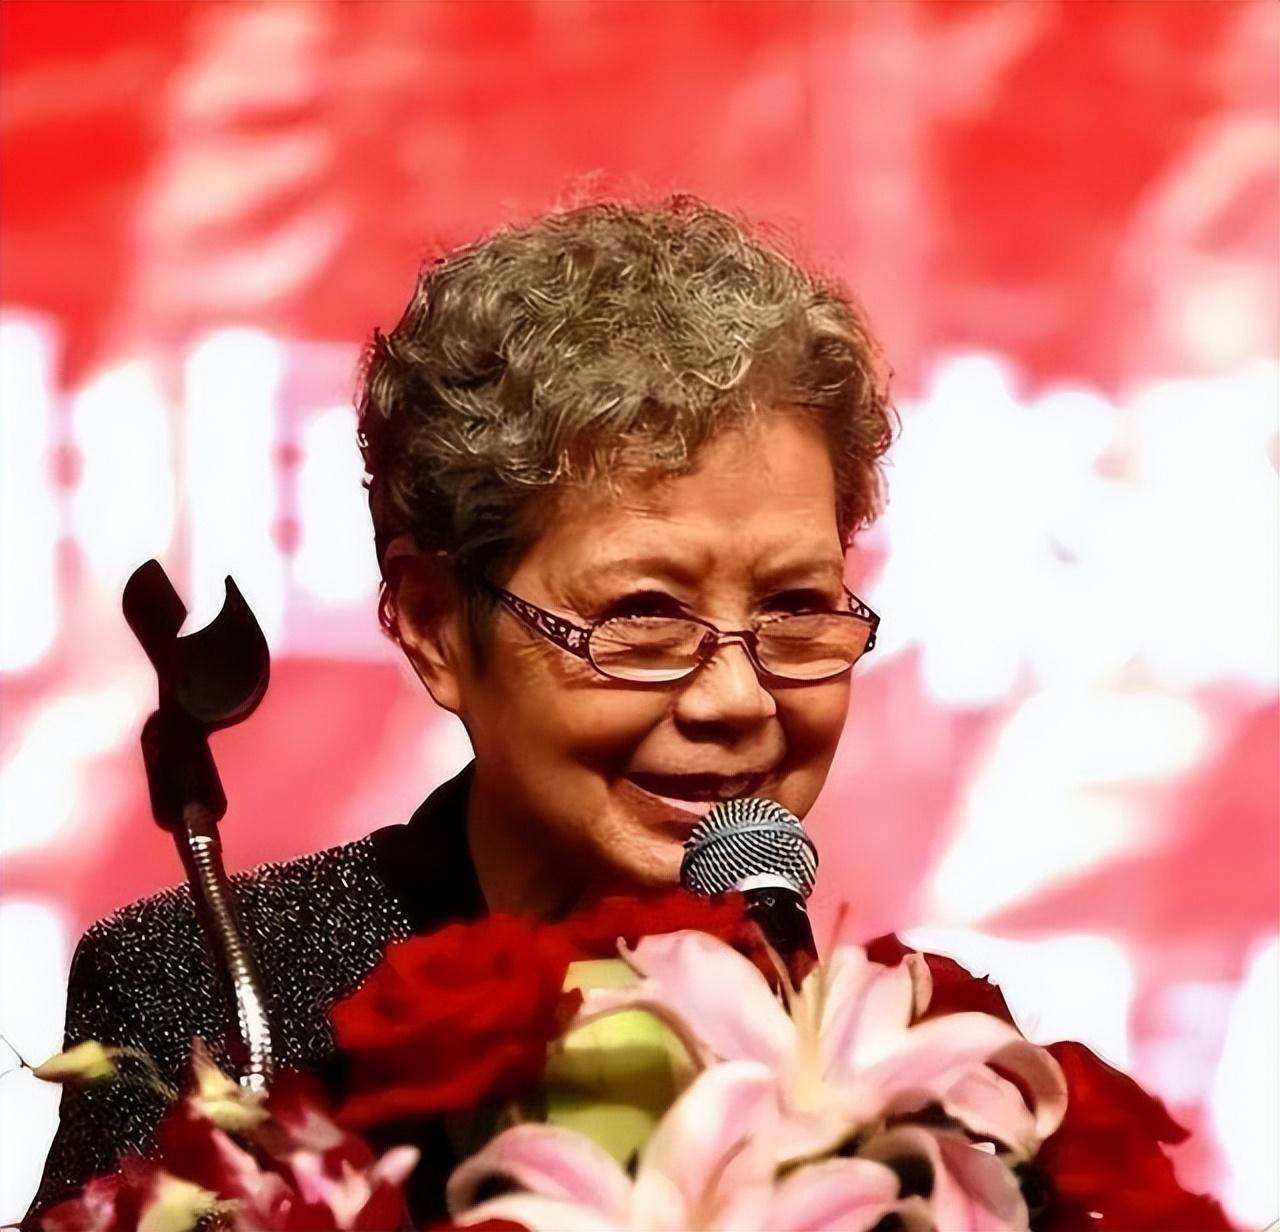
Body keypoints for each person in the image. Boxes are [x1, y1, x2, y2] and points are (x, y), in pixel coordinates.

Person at [26, 195, 894, 1224]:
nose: (736, 698)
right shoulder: (218, 990)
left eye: (795, 608)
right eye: (642, 616)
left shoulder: (896, 1059)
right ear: (435, 624)